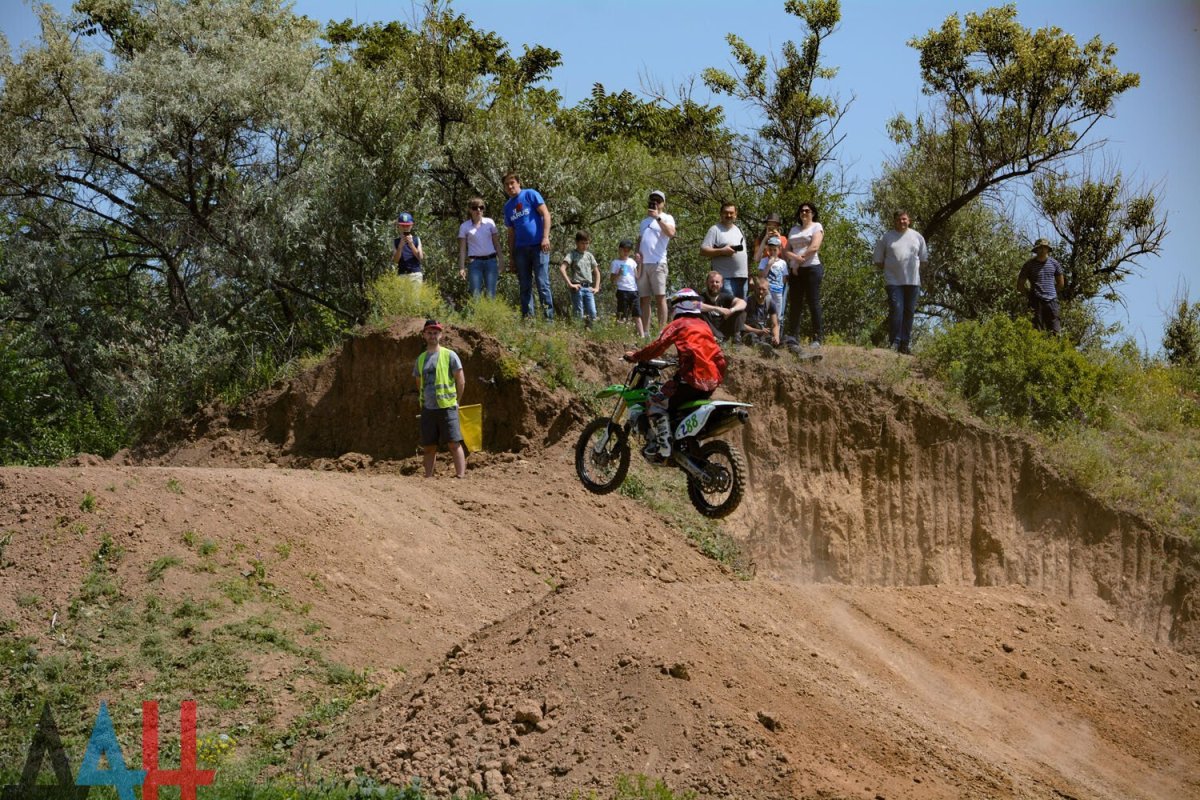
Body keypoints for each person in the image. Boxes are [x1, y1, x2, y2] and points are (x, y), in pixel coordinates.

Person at [623, 288, 727, 460]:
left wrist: (636, 356)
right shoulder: (704, 325)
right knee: (674, 404)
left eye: (673, 304)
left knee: (655, 400)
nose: (672, 308)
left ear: (680, 304)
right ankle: (681, 441)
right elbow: (715, 356)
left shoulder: (679, 324)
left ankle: (664, 447)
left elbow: (658, 346)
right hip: (711, 381)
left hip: (692, 378)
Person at [413, 319, 466, 479]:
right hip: (428, 408)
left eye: (435, 332)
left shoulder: (449, 355)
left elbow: (461, 380)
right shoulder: (421, 359)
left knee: (454, 443)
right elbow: (418, 382)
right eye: (429, 332)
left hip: (447, 407)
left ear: (440, 335)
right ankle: (428, 478)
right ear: (424, 335)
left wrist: (457, 402)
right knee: (429, 446)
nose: (432, 335)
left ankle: (460, 477)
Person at [872, 209, 929, 355]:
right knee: (897, 310)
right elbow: (878, 260)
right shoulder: (886, 238)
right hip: (893, 282)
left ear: (909, 220)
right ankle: (895, 342)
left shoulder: (917, 237)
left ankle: (905, 344)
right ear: (894, 221)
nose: (901, 221)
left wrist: (913, 271)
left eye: (904, 219)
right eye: (898, 219)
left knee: (909, 312)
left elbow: (923, 260)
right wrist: (891, 268)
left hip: (913, 282)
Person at [502, 172, 554, 320]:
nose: (510, 186)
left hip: (539, 247)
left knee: (542, 283)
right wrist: (511, 256)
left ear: (518, 183)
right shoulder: (508, 207)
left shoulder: (530, 194)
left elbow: (546, 214)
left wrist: (545, 237)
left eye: (512, 182)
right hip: (520, 250)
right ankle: (528, 319)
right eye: (506, 184)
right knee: (524, 285)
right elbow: (511, 232)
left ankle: (548, 319)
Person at [635, 189, 676, 334]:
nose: (655, 203)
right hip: (643, 264)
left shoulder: (667, 218)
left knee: (660, 297)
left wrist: (657, 217)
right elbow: (640, 240)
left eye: (658, 201)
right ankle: (645, 332)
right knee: (644, 298)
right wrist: (636, 253)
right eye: (653, 200)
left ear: (663, 203)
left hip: (658, 263)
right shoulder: (644, 222)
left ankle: (661, 332)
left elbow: (671, 233)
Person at [783, 202, 824, 345]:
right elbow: (786, 250)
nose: (804, 213)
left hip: (811, 268)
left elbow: (814, 247)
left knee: (813, 302)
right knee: (795, 303)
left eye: (807, 210)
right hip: (795, 271)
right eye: (801, 211)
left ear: (813, 213)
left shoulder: (816, 226)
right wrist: (795, 259)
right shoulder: (794, 229)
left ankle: (817, 338)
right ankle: (793, 336)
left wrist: (799, 261)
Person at [700, 201, 749, 299]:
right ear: (721, 214)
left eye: (731, 213)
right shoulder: (715, 229)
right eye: (726, 212)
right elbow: (703, 250)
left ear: (736, 214)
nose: (729, 215)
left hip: (742, 277)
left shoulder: (739, 229)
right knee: (728, 306)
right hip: (725, 278)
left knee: (742, 306)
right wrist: (722, 251)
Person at [457, 196, 503, 299]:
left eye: (481, 207)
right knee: (475, 295)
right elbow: (463, 249)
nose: (478, 210)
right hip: (474, 263)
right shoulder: (464, 226)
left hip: (491, 261)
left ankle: (490, 310)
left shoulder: (490, 223)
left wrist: (501, 260)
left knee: (491, 295)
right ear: (470, 210)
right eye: (474, 208)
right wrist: (462, 267)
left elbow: (497, 244)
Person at [1017, 237, 1065, 334]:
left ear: (1048, 249)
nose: (1043, 250)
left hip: (1052, 301)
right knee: (1036, 331)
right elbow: (1020, 284)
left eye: (1045, 247)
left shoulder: (1055, 263)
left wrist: (1051, 292)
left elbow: (1061, 283)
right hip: (1036, 300)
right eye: (1040, 248)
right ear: (1036, 250)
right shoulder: (1029, 264)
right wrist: (1029, 295)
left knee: (1055, 332)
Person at [559, 231, 602, 327]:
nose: (585, 246)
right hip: (577, 287)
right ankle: (578, 331)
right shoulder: (572, 254)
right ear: (577, 242)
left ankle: (590, 331)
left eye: (587, 243)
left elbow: (597, 272)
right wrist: (570, 284)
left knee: (592, 313)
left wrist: (596, 287)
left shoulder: (589, 255)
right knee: (579, 313)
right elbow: (562, 268)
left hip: (588, 288)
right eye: (582, 243)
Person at [699, 269, 746, 344]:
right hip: (710, 328)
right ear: (707, 283)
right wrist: (717, 308)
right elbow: (695, 305)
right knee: (699, 312)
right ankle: (716, 337)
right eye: (711, 282)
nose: (714, 284)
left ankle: (736, 338)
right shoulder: (702, 297)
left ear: (721, 284)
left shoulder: (725, 296)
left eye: (717, 282)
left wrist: (731, 310)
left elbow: (743, 303)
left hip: (724, 328)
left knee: (740, 311)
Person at [611, 238, 644, 337]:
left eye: (628, 250)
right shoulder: (615, 262)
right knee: (622, 314)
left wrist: (640, 263)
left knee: (637, 314)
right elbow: (612, 280)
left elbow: (637, 276)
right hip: (622, 291)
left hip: (633, 291)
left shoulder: (632, 262)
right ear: (619, 249)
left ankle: (642, 337)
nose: (626, 252)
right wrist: (619, 273)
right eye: (624, 250)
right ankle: (620, 336)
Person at [740, 275, 781, 356]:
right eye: (759, 289)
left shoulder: (770, 303)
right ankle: (766, 350)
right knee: (752, 337)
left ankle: (800, 353)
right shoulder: (747, 302)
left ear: (768, 290)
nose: (761, 292)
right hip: (749, 333)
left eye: (764, 289)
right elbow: (741, 324)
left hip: (763, 334)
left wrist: (776, 336)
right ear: (755, 288)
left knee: (787, 338)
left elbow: (775, 324)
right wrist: (758, 331)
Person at [758, 235, 788, 327]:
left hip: (778, 292)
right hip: (767, 292)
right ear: (767, 249)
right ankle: (764, 332)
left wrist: (779, 285)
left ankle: (776, 333)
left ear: (779, 250)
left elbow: (784, 278)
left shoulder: (783, 263)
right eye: (770, 250)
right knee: (766, 313)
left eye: (775, 250)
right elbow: (761, 277)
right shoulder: (764, 261)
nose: (772, 252)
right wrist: (769, 265)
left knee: (777, 315)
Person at [392, 212, 424, 282]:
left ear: (411, 225)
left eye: (407, 225)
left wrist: (411, 245)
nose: (405, 228)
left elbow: (420, 257)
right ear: (399, 226)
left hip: (415, 275)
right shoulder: (396, 241)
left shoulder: (416, 239)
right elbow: (395, 260)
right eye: (403, 225)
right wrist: (400, 246)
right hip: (401, 275)